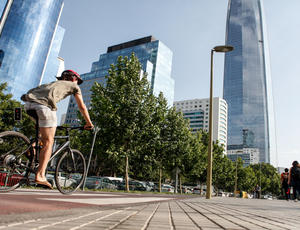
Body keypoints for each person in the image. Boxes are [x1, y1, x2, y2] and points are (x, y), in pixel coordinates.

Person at [21, 70, 93, 189]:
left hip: (28, 105)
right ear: (74, 79)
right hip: (44, 107)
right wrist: (89, 123)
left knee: (42, 135)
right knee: (49, 142)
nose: (77, 83)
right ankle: (40, 175)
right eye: (77, 81)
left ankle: (32, 147)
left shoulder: (51, 84)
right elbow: (82, 107)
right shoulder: (74, 86)